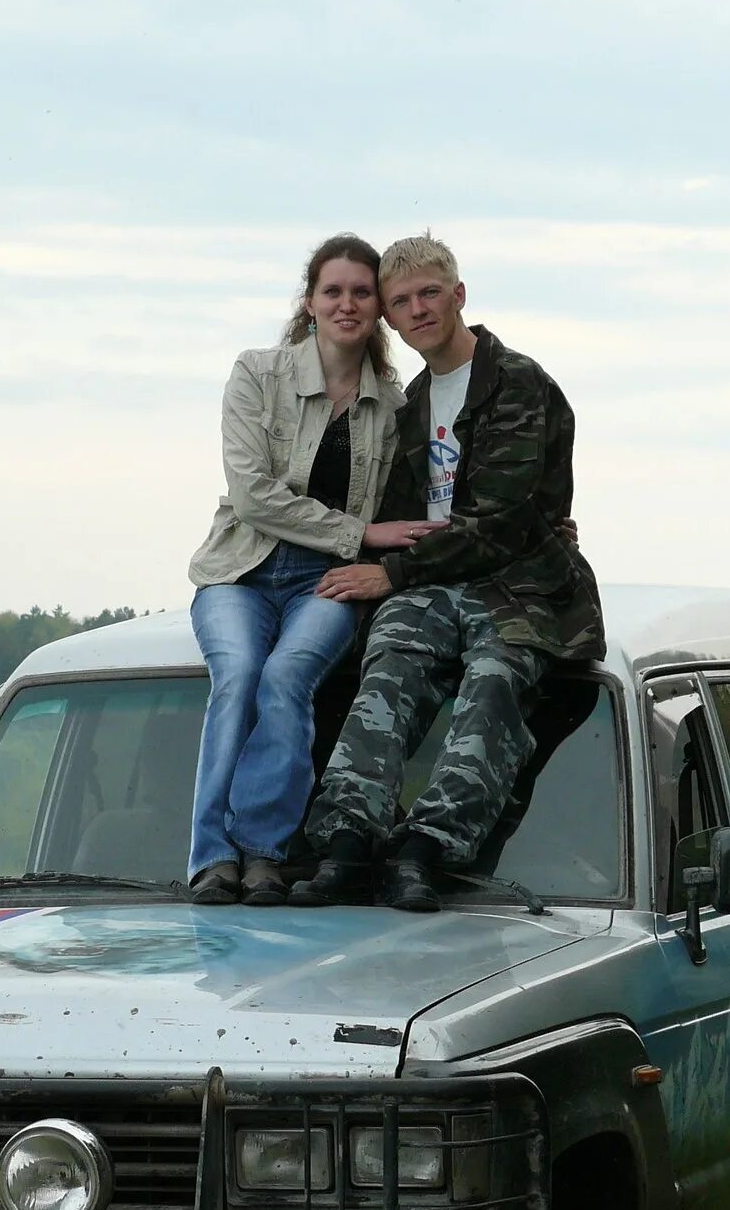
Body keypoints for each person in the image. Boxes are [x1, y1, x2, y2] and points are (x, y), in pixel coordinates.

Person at [290, 233, 604, 912]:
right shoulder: (410, 405)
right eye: (401, 301)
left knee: (493, 679)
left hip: (519, 585)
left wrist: (391, 575)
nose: (418, 310)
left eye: (429, 293)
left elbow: (503, 522)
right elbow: (386, 506)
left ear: (458, 295)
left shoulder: (520, 384)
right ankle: (346, 842)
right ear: (390, 320)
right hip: (432, 584)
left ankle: (425, 849)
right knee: (391, 663)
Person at [185, 234, 435, 905]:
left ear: (378, 308)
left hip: (328, 580)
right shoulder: (257, 374)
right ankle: (212, 857)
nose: (347, 303)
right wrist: (358, 532)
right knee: (236, 675)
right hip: (240, 568)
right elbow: (252, 496)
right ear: (310, 301)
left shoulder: (396, 405)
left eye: (361, 292)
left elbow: (431, 494)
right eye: (334, 291)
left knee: (286, 676)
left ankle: (264, 853)